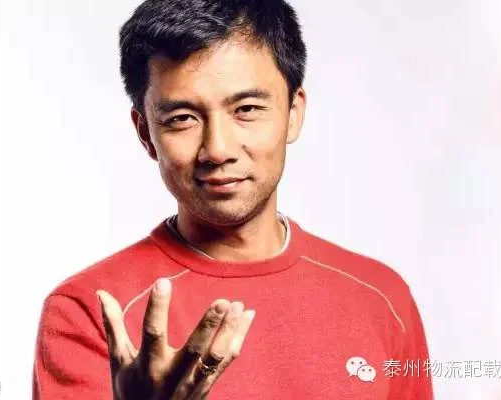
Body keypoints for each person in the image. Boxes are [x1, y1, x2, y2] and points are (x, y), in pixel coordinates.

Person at [32, 0, 434, 398]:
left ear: (293, 112)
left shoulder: (382, 298)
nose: (218, 149)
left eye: (246, 109)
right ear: (145, 133)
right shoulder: (88, 312)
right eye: (182, 118)